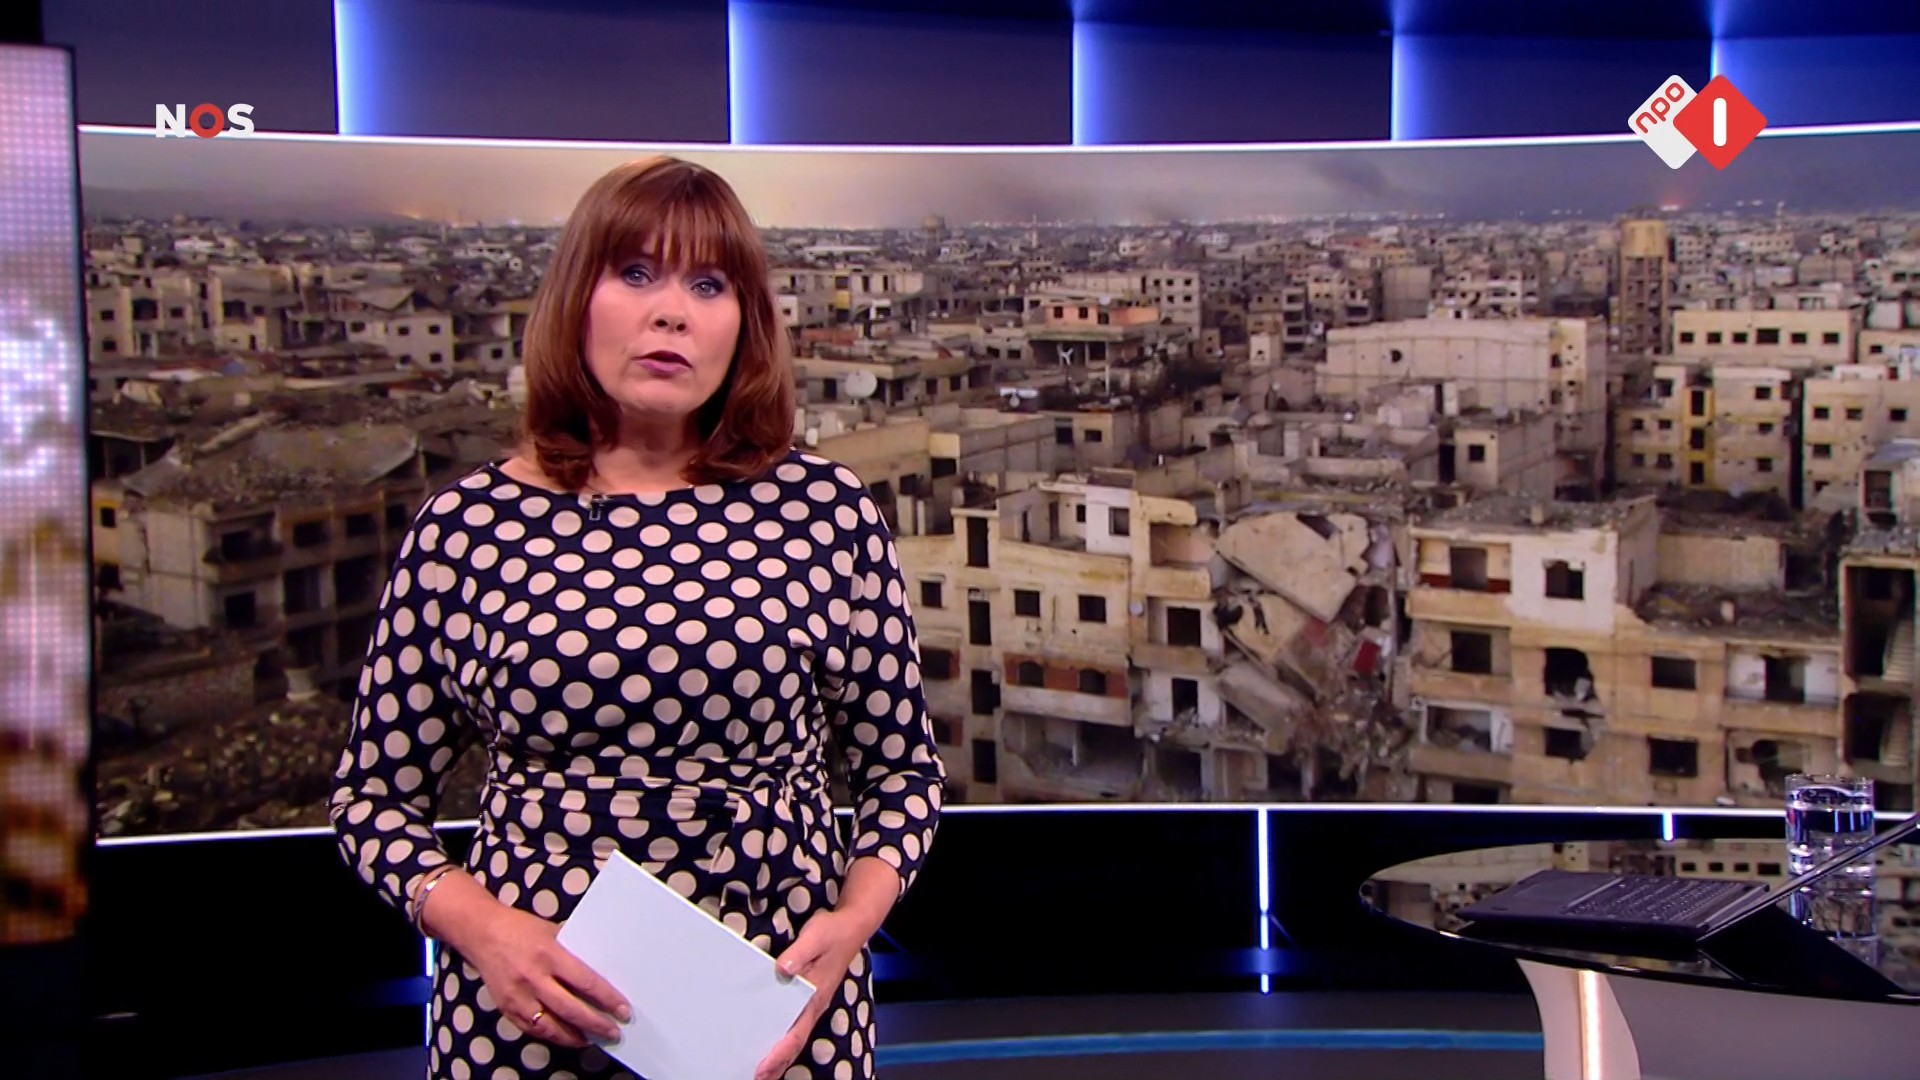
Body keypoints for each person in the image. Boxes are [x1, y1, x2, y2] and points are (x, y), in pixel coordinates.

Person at [329, 155, 947, 1080]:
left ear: (745, 322)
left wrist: (854, 924)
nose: (672, 313)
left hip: (775, 1012)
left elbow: (902, 774)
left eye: (708, 285)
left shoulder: (825, 510)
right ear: (576, 299)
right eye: (635, 273)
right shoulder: (466, 529)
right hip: (528, 1018)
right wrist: (485, 931)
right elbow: (371, 801)